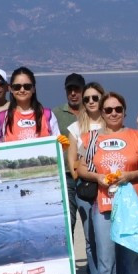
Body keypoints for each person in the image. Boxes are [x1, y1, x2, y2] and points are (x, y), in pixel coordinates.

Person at [76, 92, 138, 274]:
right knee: (105, 252)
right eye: (108, 109)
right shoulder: (89, 139)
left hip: (131, 203)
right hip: (103, 202)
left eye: (117, 109)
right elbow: (80, 168)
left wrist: (129, 176)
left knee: (131, 252)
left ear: (124, 112)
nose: (113, 113)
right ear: (101, 112)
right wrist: (97, 177)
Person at [0, 67, 63, 274]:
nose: (22, 90)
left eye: (27, 86)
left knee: (45, 239)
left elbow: (58, 145)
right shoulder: (2, 118)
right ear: (11, 89)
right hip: (15, 191)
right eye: (17, 86)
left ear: (34, 88)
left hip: (43, 189)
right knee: (22, 242)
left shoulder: (45, 114)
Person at [69, 82, 107, 274]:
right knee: (91, 237)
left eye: (95, 97)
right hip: (87, 189)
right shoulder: (76, 128)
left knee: (110, 237)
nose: (91, 102)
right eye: (87, 99)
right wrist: (81, 178)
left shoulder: (111, 122)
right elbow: (72, 158)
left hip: (110, 188)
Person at [53, 72, 86, 235]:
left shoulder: (93, 111)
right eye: (69, 90)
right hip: (66, 176)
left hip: (89, 176)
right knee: (68, 221)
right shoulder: (56, 114)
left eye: (77, 89)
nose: (73, 93)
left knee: (90, 224)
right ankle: (70, 259)